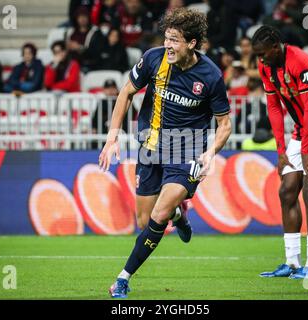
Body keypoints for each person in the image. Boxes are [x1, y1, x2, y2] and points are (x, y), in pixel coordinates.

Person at [99, 8, 231, 298]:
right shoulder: (153, 58)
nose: (168, 45)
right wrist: (112, 138)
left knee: (158, 214)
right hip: (150, 147)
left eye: (175, 40)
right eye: (167, 38)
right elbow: (126, 93)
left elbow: (225, 124)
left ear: (192, 43)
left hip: (187, 151)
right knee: (145, 222)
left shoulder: (210, 76)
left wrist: (210, 153)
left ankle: (123, 278)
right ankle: (179, 216)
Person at [252, 26, 308, 279]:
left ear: (276, 46)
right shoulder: (266, 67)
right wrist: (281, 150)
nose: (260, 59)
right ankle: (292, 263)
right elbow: (273, 106)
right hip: (302, 129)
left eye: (263, 53)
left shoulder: (300, 61)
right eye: (257, 55)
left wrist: (305, 152)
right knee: (286, 190)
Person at [66, 6, 106, 72]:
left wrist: (79, 48)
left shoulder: (96, 32)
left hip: (89, 66)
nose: (82, 19)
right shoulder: (70, 33)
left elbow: (96, 53)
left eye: (84, 16)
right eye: (80, 16)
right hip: (72, 65)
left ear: (88, 17)